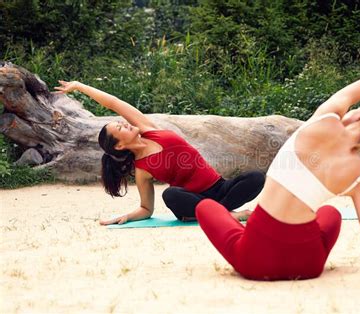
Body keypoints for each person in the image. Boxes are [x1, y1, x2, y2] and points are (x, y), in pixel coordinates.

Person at [195, 76, 360, 281]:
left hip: (256, 262)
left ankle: (246, 229)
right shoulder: (358, 180)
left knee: (206, 207)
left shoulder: (324, 118)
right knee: (331, 214)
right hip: (308, 264)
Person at [53, 80, 265, 224]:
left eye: (120, 123)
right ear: (119, 145)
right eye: (120, 128)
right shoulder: (142, 170)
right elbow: (147, 209)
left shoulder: (149, 130)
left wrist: (80, 86)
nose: (124, 123)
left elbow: (114, 103)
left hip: (220, 189)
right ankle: (228, 215)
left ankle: (214, 214)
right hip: (192, 199)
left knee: (256, 178)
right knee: (171, 194)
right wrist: (125, 217)